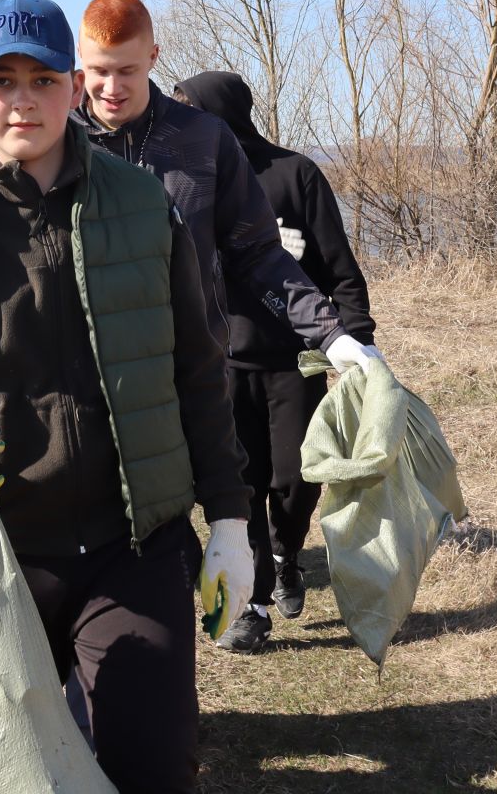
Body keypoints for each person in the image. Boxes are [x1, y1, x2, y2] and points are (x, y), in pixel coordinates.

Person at [0, 0, 254, 794]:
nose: (23, 100)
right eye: (0, 81)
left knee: (152, 766)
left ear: (74, 89)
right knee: (7, 773)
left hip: (132, 544)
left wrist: (231, 518)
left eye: (42, 79)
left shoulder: (145, 207)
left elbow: (200, 368)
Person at [176, 70, 376, 651]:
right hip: (219, 361)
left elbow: (340, 269)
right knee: (238, 486)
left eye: (195, 110)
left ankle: (289, 551)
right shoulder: (192, 180)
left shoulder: (296, 174)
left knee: (293, 480)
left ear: (225, 114)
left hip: (294, 360)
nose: (187, 122)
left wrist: (356, 343)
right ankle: (252, 605)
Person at [75, 0, 377, 376]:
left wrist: (332, 334)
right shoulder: (59, 142)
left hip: (192, 369)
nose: (112, 88)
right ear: (81, 60)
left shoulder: (204, 138)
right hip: (88, 374)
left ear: (153, 57)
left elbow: (258, 253)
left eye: (128, 71)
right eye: (100, 71)